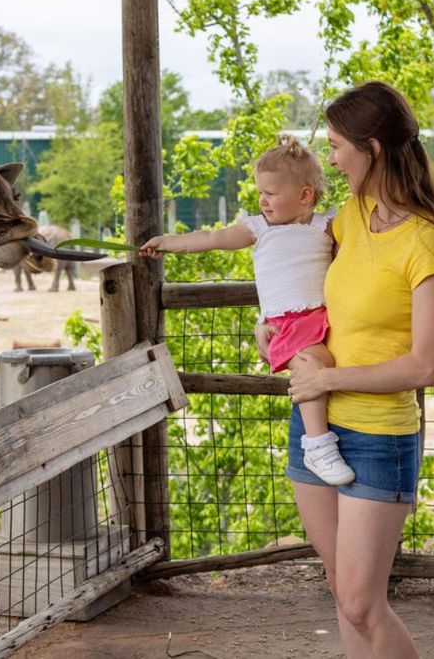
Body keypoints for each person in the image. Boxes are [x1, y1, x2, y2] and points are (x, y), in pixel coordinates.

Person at [267, 81, 434, 658]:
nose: (329, 157)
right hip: (316, 432)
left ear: (373, 148)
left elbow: (426, 365)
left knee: (361, 601)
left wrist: (327, 379)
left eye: (336, 145)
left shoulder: (430, 244)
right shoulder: (350, 216)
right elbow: (302, 278)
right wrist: (275, 325)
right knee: (343, 594)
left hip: (380, 437)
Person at [140, 135, 355, 485]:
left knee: (323, 366)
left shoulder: (324, 226)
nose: (262, 200)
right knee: (312, 365)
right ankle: (317, 445)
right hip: (287, 322)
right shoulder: (258, 228)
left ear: (305, 195)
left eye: (271, 193)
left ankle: (321, 440)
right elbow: (211, 239)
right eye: (260, 192)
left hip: (323, 316)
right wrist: (169, 244)